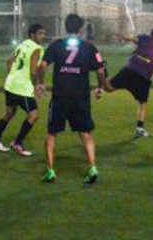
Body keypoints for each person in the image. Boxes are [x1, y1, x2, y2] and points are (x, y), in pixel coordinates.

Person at [37, 14, 110, 184]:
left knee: (52, 133)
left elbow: (42, 66)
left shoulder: (56, 45)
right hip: (81, 96)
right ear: (81, 29)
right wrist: (100, 87)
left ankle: (50, 170)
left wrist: (40, 83)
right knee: (85, 132)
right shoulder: (89, 47)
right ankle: (92, 167)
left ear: (65, 27)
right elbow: (100, 71)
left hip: (60, 95)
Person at [0, 23, 46, 156]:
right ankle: (17, 143)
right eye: (40, 33)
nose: (43, 36)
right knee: (33, 115)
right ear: (33, 35)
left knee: (10, 112)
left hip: (10, 85)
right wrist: (38, 85)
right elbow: (33, 70)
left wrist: (12, 76)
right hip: (22, 88)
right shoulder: (37, 48)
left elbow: (9, 61)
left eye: (43, 33)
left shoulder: (22, 44)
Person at [105, 28, 153, 138]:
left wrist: (124, 38)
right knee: (142, 103)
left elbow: (134, 39)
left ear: (151, 34)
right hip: (144, 78)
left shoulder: (145, 38)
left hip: (129, 70)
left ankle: (103, 73)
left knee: (109, 88)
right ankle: (139, 129)